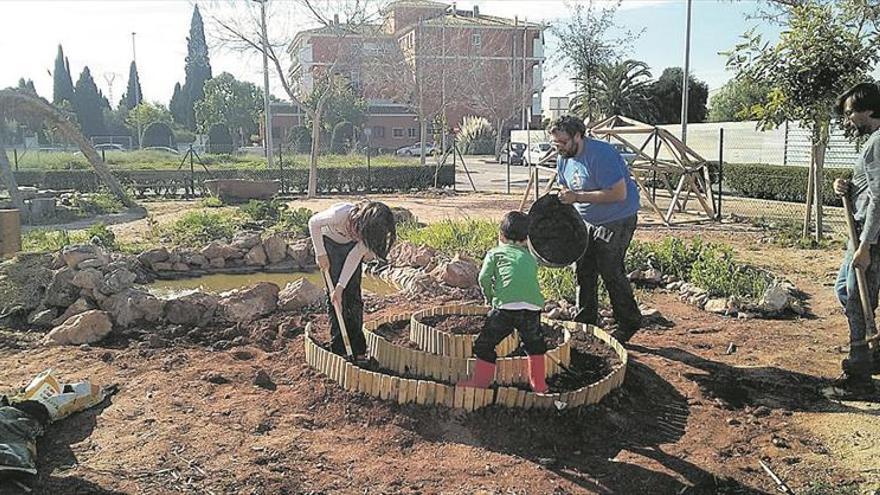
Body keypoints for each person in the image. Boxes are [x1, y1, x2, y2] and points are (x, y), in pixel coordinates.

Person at [549, 115, 642, 343]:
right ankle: (585, 322)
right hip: (586, 220)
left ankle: (628, 322)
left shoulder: (602, 155)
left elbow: (618, 194)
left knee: (610, 269)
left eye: (563, 142)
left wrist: (578, 196)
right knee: (583, 269)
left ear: (578, 136)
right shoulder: (564, 157)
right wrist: (564, 196)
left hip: (618, 217)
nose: (559, 147)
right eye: (556, 143)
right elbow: (564, 183)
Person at [458, 211, 549, 393]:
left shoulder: (495, 253)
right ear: (527, 239)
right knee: (535, 345)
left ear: (501, 235)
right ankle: (539, 384)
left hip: (505, 308)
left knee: (484, 344)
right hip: (532, 308)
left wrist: (490, 298)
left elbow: (483, 278)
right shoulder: (532, 256)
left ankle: (481, 382)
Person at [831, 82, 880, 397]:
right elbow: (869, 190)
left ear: (869, 110)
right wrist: (847, 188)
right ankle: (870, 355)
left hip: (870, 237)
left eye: (851, 113)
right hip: (863, 233)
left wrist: (865, 247)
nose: (848, 120)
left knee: (858, 302)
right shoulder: (873, 141)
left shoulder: (878, 143)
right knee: (845, 291)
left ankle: (860, 371)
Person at [309, 201, 396, 361]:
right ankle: (339, 347)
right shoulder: (340, 214)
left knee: (353, 293)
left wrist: (341, 288)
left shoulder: (367, 235)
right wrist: (320, 253)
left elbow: (354, 257)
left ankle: (357, 347)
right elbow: (313, 222)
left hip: (350, 247)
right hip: (329, 243)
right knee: (334, 298)